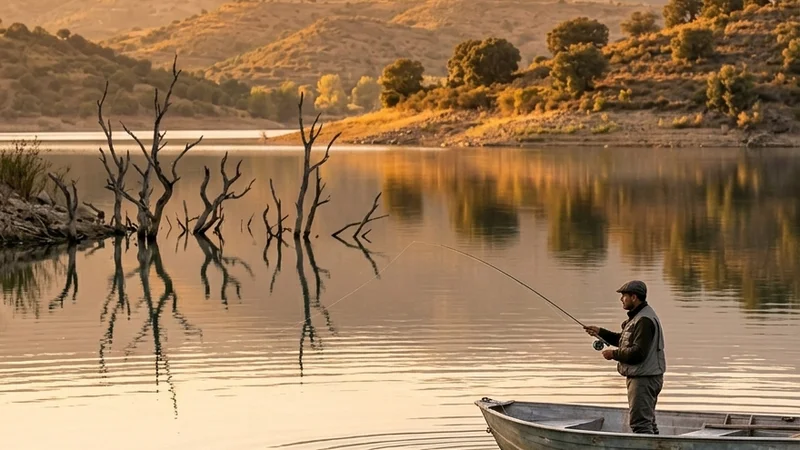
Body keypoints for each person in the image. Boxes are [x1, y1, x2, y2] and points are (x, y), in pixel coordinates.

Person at [583, 280, 666, 435]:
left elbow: (638, 353)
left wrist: (613, 354)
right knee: (648, 423)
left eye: (624, 296)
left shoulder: (644, 320)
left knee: (640, 425)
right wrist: (600, 332)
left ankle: (645, 446)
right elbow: (624, 340)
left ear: (634, 297)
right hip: (646, 376)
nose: (621, 299)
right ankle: (656, 445)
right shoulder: (639, 317)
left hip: (644, 379)